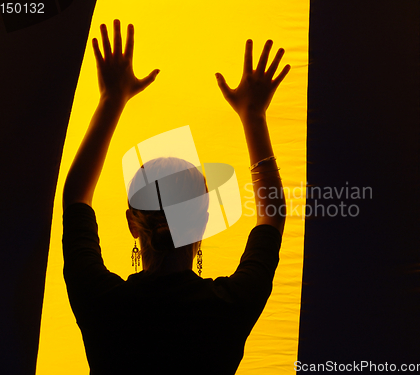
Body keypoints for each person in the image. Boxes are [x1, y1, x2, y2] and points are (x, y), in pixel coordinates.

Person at [62, 19, 290, 374]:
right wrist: (254, 115)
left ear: (132, 224)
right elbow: (273, 214)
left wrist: (111, 100)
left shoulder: (101, 302)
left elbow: (76, 196)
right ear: (205, 220)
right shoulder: (229, 307)